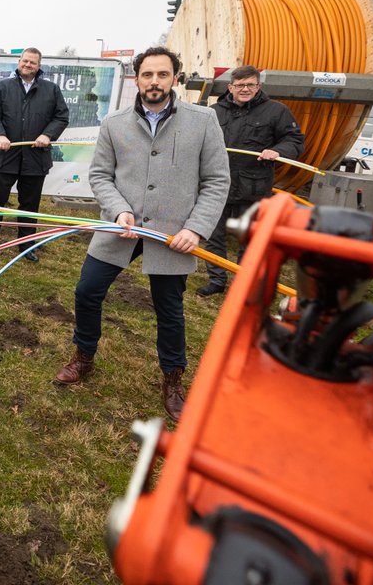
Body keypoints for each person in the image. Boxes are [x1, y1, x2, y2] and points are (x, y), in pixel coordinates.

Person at [53, 47, 229, 422]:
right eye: (147, 75)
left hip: (172, 233)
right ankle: (84, 355)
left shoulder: (203, 120)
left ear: (175, 79)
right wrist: (119, 209)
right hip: (122, 227)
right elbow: (100, 175)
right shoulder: (114, 123)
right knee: (87, 291)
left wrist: (195, 229)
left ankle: (173, 379)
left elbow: (216, 181)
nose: (154, 82)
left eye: (162, 75)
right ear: (137, 78)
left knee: (170, 310)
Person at [196, 64, 305, 297]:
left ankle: (242, 283)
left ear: (258, 86)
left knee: (249, 239)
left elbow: (294, 140)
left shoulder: (276, 111)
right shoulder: (214, 112)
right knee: (213, 235)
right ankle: (217, 280)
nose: (245, 89)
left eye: (250, 85)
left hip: (254, 187)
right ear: (230, 87)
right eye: (240, 85)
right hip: (218, 186)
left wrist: (278, 151)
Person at [0, 47, 69, 263]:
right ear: (19, 62)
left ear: (38, 66)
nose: (28, 65)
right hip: (4, 157)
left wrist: (47, 134)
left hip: (35, 158)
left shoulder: (51, 90)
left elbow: (61, 117)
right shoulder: (2, 87)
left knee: (29, 206)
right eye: (25, 61)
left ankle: (25, 246)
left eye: (32, 62)